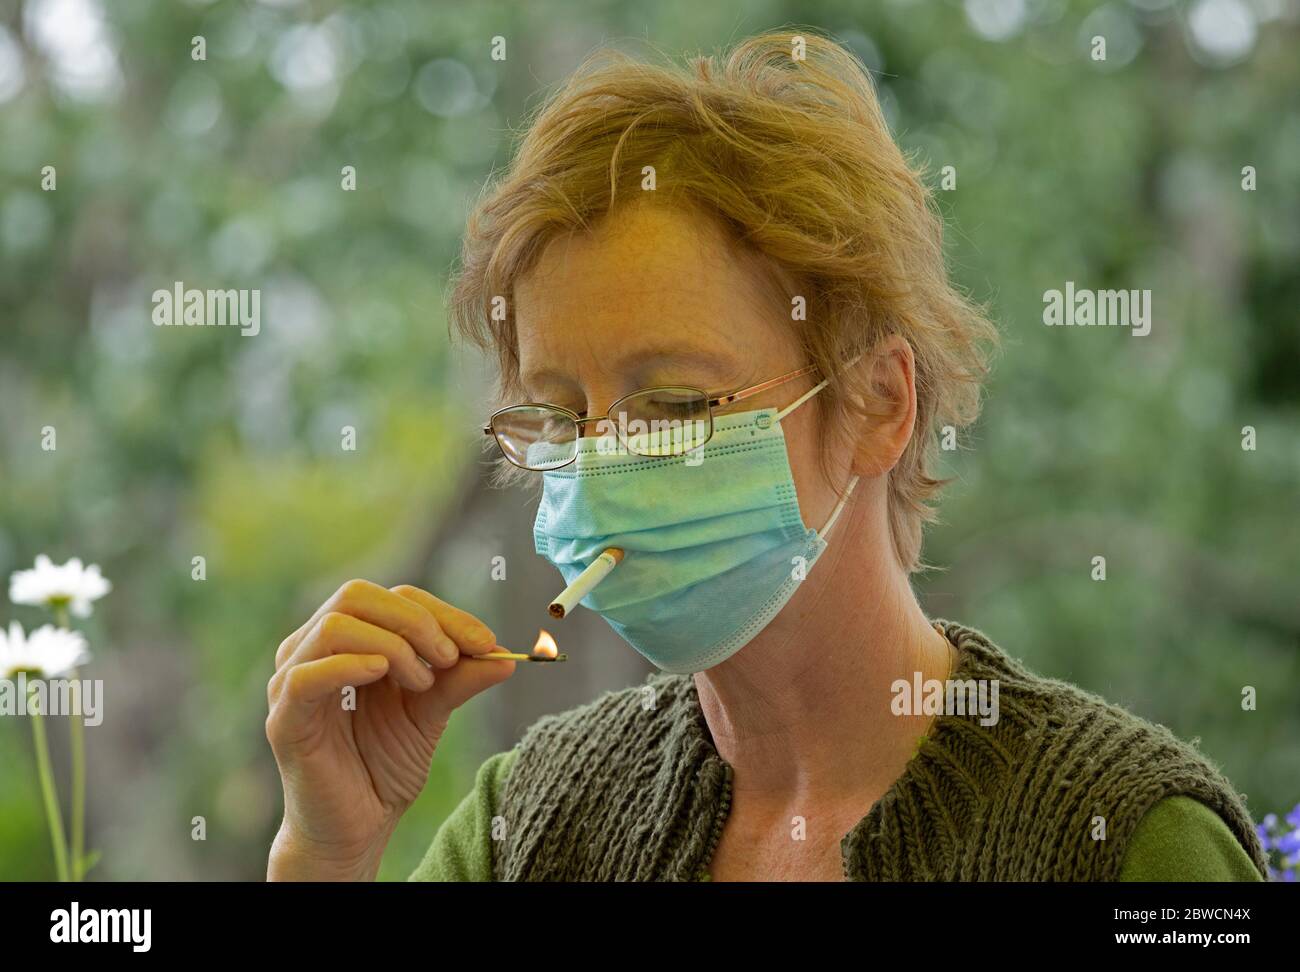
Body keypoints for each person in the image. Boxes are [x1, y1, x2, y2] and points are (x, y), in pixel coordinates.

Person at [265, 32, 1266, 882]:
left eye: (672, 401)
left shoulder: (1127, 841)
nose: (605, 464)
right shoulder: (524, 828)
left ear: (878, 401)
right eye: (561, 414)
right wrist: (325, 854)